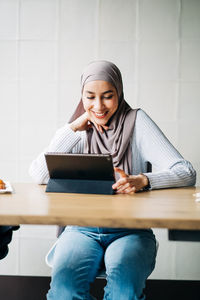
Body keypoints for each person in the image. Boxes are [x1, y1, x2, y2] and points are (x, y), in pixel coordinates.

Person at [29, 60, 196, 300]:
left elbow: (186, 171)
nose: (98, 106)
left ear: (119, 92)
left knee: (123, 294)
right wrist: (72, 129)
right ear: (82, 97)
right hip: (81, 229)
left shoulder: (137, 122)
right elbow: (38, 175)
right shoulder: (79, 129)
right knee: (64, 293)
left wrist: (144, 180)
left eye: (108, 96)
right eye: (90, 97)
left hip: (130, 230)